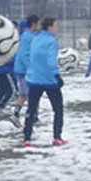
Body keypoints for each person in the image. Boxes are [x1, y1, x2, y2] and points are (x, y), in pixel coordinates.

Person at [23, 17, 66, 147]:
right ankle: (57, 137)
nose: (57, 28)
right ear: (49, 27)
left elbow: (31, 56)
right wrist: (56, 75)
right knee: (58, 109)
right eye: (55, 26)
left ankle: (27, 138)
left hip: (34, 80)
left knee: (31, 109)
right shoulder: (51, 41)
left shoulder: (35, 38)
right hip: (49, 80)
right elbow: (50, 60)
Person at [12, 15, 40, 121]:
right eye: (38, 23)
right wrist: (31, 68)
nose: (39, 25)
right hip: (25, 71)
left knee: (24, 94)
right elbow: (24, 55)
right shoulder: (28, 37)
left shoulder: (27, 36)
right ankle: (33, 116)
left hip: (22, 70)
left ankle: (16, 114)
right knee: (33, 95)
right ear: (33, 24)